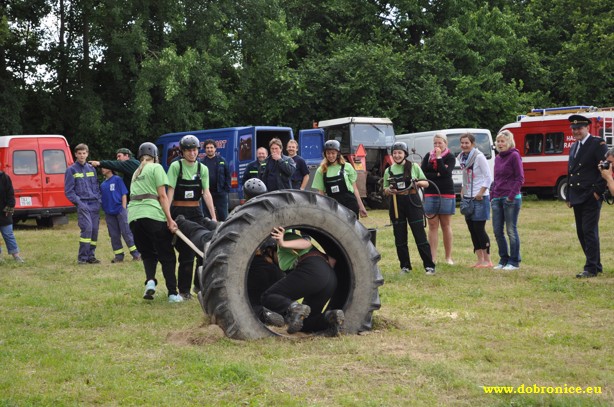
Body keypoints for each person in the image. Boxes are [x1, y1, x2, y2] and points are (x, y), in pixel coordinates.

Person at [261, 227, 345, 336]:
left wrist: (282, 242)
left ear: (269, 250)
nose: (268, 262)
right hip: (329, 278)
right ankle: (330, 318)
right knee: (305, 322)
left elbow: (306, 243)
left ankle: (295, 308)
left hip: (314, 271)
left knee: (268, 296)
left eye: (265, 258)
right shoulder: (286, 252)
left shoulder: (284, 239)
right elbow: (332, 261)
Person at [128, 142, 182, 302]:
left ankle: (150, 282)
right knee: (167, 255)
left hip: (133, 217)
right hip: (152, 214)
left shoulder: (136, 172)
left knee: (148, 254)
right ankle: (173, 293)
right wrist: (170, 219)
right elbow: (163, 196)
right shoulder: (156, 168)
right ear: (156, 156)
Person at [167, 135, 217, 299]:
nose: (192, 153)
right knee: (186, 254)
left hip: (197, 212)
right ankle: (184, 290)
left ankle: (199, 285)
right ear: (182, 152)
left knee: (204, 251)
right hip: (179, 212)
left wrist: (214, 217)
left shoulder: (202, 169)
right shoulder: (176, 167)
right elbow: (170, 192)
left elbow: (207, 194)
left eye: (194, 149)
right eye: (188, 150)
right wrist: (167, 216)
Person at [383, 142, 435, 275]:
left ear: (405, 154)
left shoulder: (413, 166)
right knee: (400, 237)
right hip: (396, 204)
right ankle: (405, 267)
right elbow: (385, 189)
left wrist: (416, 182)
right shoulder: (388, 170)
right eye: (395, 153)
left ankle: (429, 266)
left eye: (400, 153)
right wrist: (389, 190)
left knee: (420, 236)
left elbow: (426, 183)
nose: (397, 155)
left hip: (412, 202)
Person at [566, 114, 608, 278]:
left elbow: (605, 169)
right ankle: (595, 264)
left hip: (590, 195)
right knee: (581, 232)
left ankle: (590, 268)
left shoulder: (597, 144)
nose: (576, 131)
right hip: (577, 195)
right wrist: (569, 195)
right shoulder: (573, 147)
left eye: (579, 128)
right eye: (574, 129)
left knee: (588, 231)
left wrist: (598, 191)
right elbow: (571, 171)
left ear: (587, 128)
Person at [490, 130, 524, 270]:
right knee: (497, 231)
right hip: (497, 197)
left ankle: (514, 261)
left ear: (509, 142)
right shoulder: (497, 158)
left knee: (511, 230)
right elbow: (496, 179)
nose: (500, 144)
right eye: (498, 141)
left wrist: (510, 196)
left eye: (502, 141)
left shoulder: (514, 156)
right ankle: (503, 259)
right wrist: (492, 195)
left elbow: (520, 178)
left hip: (511, 198)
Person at [420, 133, 456, 265]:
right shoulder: (428, 156)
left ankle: (448, 257)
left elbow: (446, 173)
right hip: (430, 192)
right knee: (432, 225)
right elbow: (423, 174)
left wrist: (439, 157)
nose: (437, 146)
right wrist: (437, 174)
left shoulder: (450, 157)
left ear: (445, 143)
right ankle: (433, 257)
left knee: (446, 225)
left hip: (446, 192)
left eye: (440, 143)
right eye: (435, 143)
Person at [64, 143, 102, 265]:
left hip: (94, 203)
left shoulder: (92, 169)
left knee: (95, 230)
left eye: (84, 153)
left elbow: (96, 186)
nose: (82, 155)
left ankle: (91, 256)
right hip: (83, 203)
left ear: (87, 154)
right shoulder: (71, 170)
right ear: (75, 154)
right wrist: (79, 203)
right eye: (79, 153)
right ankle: (82, 258)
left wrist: (98, 199)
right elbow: (69, 191)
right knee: (87, 229)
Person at [459, 133, 493, 268]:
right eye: (462, 143)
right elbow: (466, 176)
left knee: (479, 229)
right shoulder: (462, 158)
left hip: (480, 198)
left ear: (473, 144)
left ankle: (488, 260)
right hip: (467, 197)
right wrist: (462, 189)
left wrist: (481, 192)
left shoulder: (479, 157)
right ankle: (479, 259)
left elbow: (488, 177)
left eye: (466, 143)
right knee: (472, 229)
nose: (464, 145)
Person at [311, 140, 368, 218]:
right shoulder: (321, 170)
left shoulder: (347, 167)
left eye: (333, 153)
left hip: (350, 203)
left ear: (338, 154)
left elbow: (354, 189)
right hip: (333, 205)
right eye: (328, 153)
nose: (330, 156)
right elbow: (321, 193)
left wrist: (361, 207)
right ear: (325, 154)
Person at [99, 167, 141, 263]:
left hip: (120, 210)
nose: (102, 169)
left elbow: (124, 194)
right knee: (114, 235)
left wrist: (123, 208)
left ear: (110, 169)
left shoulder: (117, 179)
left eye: (104, 168)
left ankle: (136, 254)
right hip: (109, 213)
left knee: (127, 232)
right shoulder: (102, 185)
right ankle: (119, 256)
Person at [201, 139, 230, 221]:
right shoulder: (201, 162)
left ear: (215, 149)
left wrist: (226, 190)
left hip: (220, 193)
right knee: (207, 217)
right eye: (207, 148)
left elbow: (228, 175)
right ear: (205, 149)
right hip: (207, 193)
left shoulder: (222, 160)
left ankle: (224, 232)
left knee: (223, 216)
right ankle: (210, 232)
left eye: (211, 147)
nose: (209, 149)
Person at [0, 170, 24, 263]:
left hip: (4, 212)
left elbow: (10, 194)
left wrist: (9, 208)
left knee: (8, 234)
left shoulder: (5, 178)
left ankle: (16, 255)